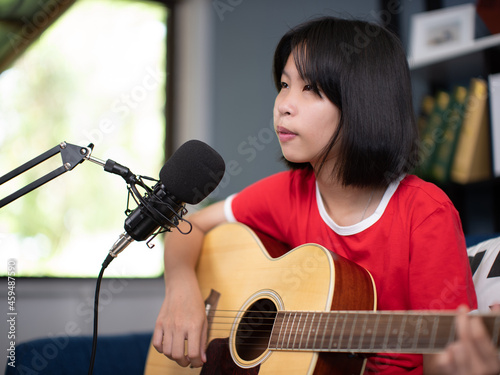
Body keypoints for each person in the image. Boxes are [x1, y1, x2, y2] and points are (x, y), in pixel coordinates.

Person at [152, 16, 499, 374]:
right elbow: (188, 226)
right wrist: (182, 290)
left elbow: (446, 359)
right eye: (284, 84)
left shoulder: (426, 214)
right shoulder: (287, 195)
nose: (283, 104)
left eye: (310, 89)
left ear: (363, 104)